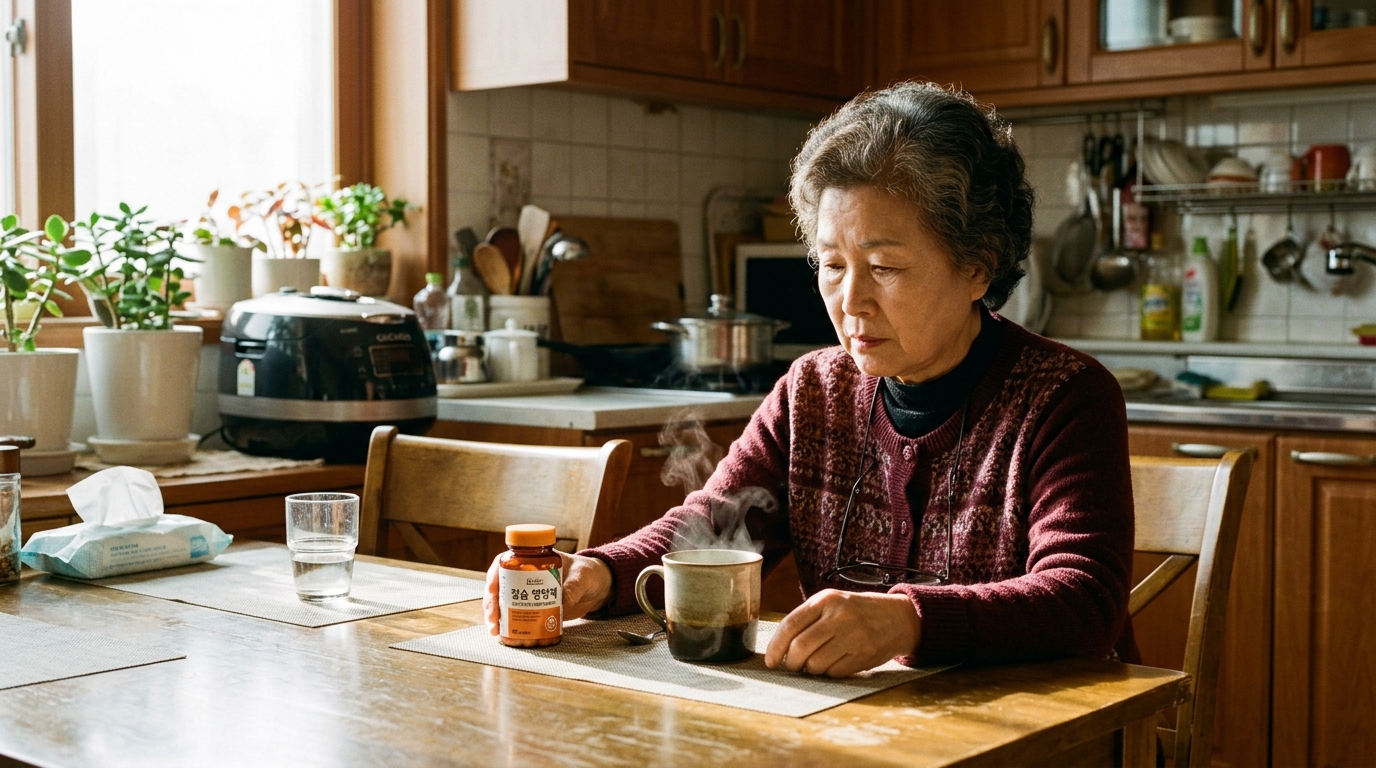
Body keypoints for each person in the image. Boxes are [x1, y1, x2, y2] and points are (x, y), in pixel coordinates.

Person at [484, 82, 1136, 678]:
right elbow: (714, 525)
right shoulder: (812, 392)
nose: (850, 301)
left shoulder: (1063, 396)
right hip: (866, 734)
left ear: (977, 268)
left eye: (882, 266)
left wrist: (908, 618)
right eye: (831, 264)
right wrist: (598, 572)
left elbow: (1083, 598)